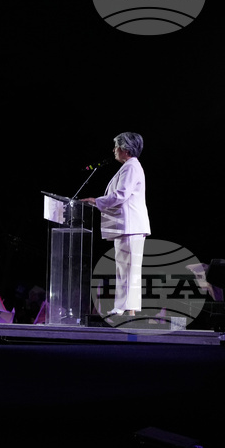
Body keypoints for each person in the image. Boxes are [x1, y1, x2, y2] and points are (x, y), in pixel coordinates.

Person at [81, 132, 151, 317]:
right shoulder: (130, 167)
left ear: (126, 149)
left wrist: (97, 201)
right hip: (128, 226)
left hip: (130, 225)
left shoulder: (131, 167)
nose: (114, 150)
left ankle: (126, 308)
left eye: (117, 146)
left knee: (128, 268)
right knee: (126, 268)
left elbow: (121, 195)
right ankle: (127, 308)